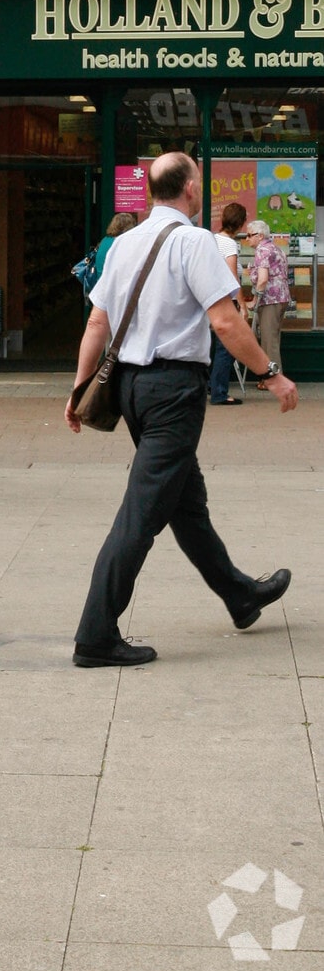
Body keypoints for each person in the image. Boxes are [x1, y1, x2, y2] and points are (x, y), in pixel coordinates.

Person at [66, 150, 296, 669]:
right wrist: (270, 374)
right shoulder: (194, 242)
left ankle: (240, 595)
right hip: (172, 392)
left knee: (185, 505)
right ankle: (95, 636)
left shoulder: (123, 244)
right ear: (191, 188)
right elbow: (226, 322)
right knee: (140, 515)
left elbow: (97, 325)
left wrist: (78, 390)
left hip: (129, 388)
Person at [246, 218, 293, 387]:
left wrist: (255, 300)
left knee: (268, 340)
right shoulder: (276, 249)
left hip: (270, 299)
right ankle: (269, 377)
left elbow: (263, 280)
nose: (247, 239)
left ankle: (273, 380)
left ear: (259, 235)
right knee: (272, 337)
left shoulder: (262, 250)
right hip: (281, 297)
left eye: (249, 235)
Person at [209, 201, 248, 406]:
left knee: (216, 346)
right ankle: (219, 392)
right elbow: (232, 276)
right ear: (241, 223)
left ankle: (212, 385)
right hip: (227, 301)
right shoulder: (229, 244)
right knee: (228, 348)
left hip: (212, 299)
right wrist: (241, 304)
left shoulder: (213, 240)